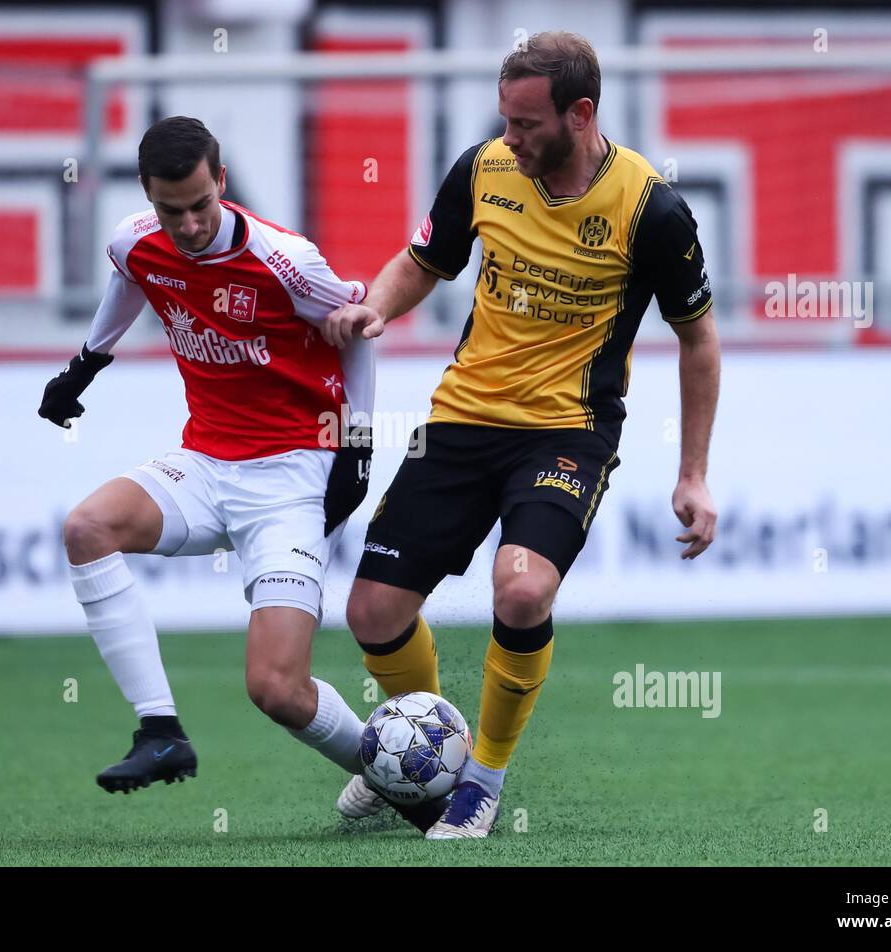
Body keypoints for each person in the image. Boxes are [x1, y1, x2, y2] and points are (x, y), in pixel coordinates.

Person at [323, 32, 722, 838]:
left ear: (581, 115)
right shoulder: (484, 168)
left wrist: (693, 473)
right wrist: (377, 306)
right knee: (370, 612)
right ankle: (420, 745)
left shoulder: (652, 209)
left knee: (524, 587)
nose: (510, 137)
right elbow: (423, 261)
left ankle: (482, 778)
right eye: (504, 120)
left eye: (526, 124)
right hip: (463, 417)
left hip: (566, 433)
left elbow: (699, 338)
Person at [39, 116, 375, 803]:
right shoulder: (136, 241)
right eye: (172, 210)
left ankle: (393, 776)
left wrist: (358, 445)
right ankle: (159, 729)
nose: (188, 225)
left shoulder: (288, 261)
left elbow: (360, 331)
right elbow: (131, 276)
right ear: (147, 195)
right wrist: (85, 366)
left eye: (200, 205)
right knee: (86, 529)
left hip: (292, 474)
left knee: (276, 689)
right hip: (205, 463)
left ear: (221, 182)